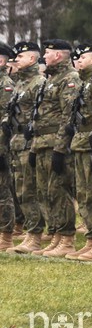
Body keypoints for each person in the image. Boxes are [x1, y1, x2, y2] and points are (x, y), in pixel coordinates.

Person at [31, 39, 81, 258]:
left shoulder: (70, 79)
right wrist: (33, 147)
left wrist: (61, 149)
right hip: (42, 143)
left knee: (59, 191)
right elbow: (40, 116)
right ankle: (57, 236)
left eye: (48, 52)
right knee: (46, 192)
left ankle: (67, 238)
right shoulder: (51, 79)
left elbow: (67, 117)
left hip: (55, 144)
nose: (44, 56)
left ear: (59, 56)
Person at [64, 44, 92, 261]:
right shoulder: (85, 81)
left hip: (90, 143)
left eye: (83, 57)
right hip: (79, 142)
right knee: (83, 193)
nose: (78, 60)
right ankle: (90, 237)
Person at [6, 42, 46, 253]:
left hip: (29, 143)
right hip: (17, 141)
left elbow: (43, 114)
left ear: (32, 59)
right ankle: (30, 233)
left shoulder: (39, 82)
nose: (17, 60)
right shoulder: (22, 84)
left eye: (20, 57)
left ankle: (34, 235)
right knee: (21, 190)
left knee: (30, 190)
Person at [0, 44, 15, 251]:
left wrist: (2, 148)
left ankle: (6, 235)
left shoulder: (6, 84)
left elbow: (5, 118)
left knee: (3, 192)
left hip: (1, 144)